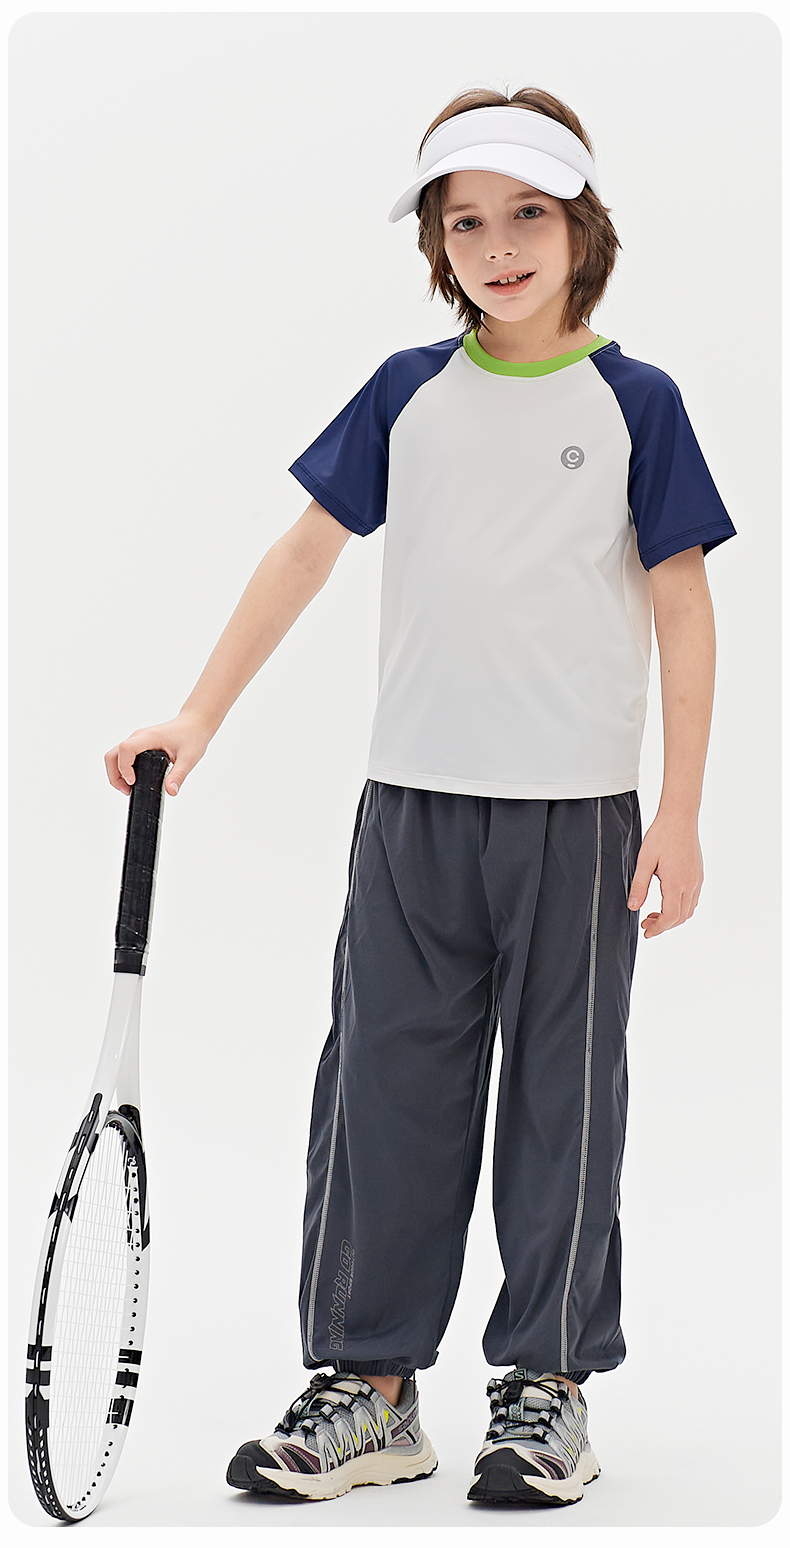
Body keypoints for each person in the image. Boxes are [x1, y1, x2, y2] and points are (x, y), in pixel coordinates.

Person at [105, 86, 737, 1509]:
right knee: (383, 1091)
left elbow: (683, 605)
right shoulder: (406, 391)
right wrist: (197, 714)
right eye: (465, 223)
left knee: (565, 1106)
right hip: (411, 815)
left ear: (582, 231)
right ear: (436, 246)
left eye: (528, 216)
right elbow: (302, 553)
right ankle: (370, 1390)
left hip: (576, 818)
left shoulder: (637, 404)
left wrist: (680, 811)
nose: (497, 247)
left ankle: (547, 1388)